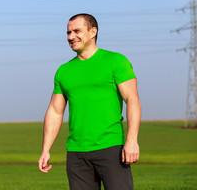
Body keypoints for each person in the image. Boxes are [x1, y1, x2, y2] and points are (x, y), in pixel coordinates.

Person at [38, 13, 141, 190]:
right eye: (68, 32)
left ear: (93, 32)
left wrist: (132, 140)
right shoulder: (63, 71)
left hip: (111, 148)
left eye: (76, 31)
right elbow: (55, 112)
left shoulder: (115, 61)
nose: (71, 37)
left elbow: (132, 100)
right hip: (76, 153)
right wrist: (46, 149)